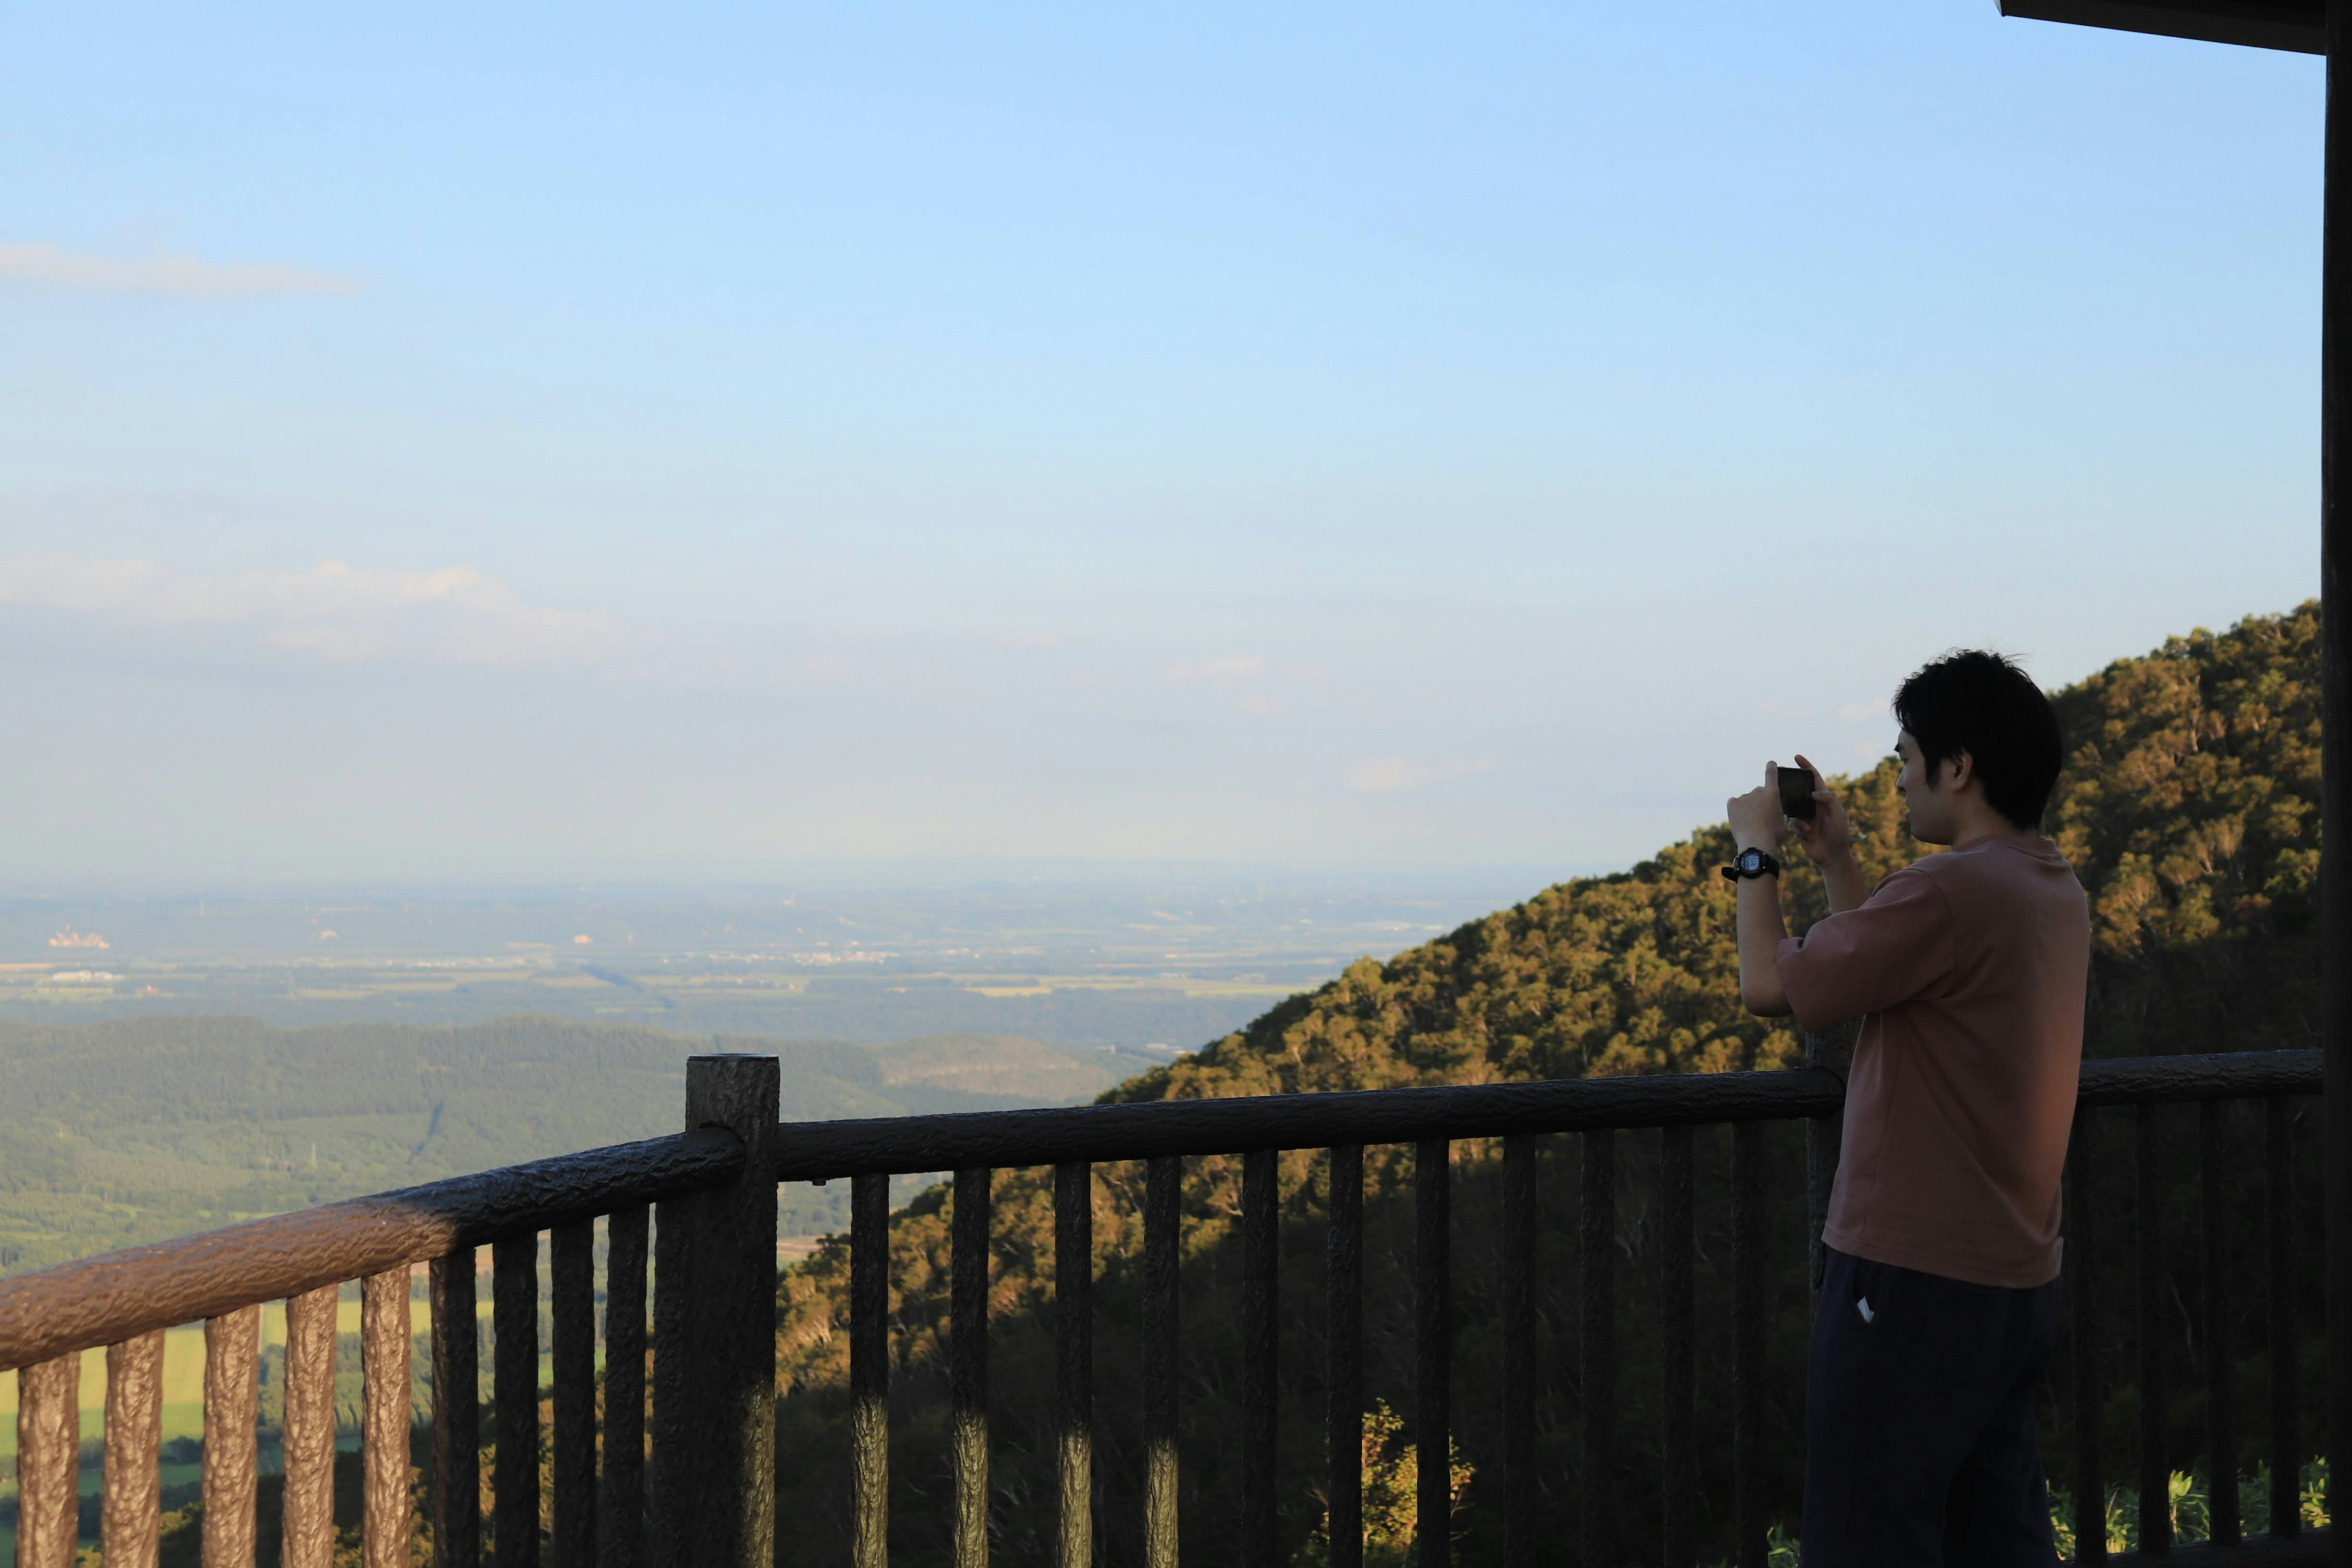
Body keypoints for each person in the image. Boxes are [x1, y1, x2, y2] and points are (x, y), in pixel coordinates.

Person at [1723, 649, 2089, 1567]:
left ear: (1956, 767)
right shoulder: (2047, 884)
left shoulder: (1950, 890)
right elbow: (1889, 969)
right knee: (1993, 1536)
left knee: (1866, 1536)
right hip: (2014, 1276)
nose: (1894, 778)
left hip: (1910, 1280)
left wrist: (1756, 853)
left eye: (1904, 756)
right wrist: (1837, 857)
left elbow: (1769, 984)